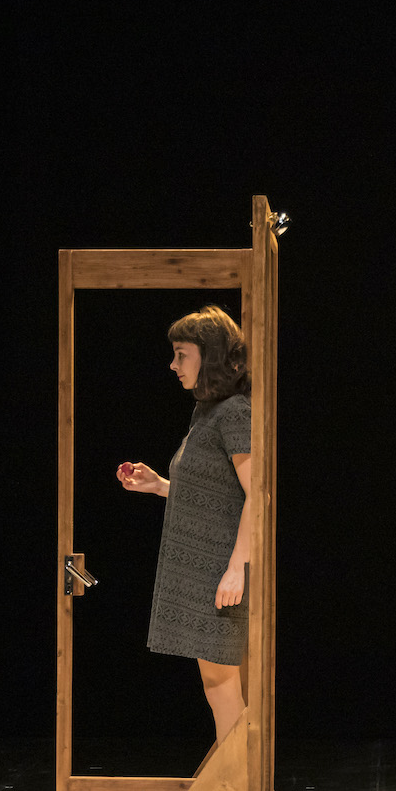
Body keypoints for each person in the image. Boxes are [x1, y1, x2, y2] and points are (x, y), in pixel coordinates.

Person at [117, 306, 254, 741]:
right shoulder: (207, 412)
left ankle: (238, 778)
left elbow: (259, 496)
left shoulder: (234, 412)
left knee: (221, 684)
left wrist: (237, 568)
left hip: (221, 572)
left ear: (208, 355)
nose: (173, 365)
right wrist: (160, 486)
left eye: (181, 354)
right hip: (205, 572)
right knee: (216, 685)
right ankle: (234, 775)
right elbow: (219, 494)